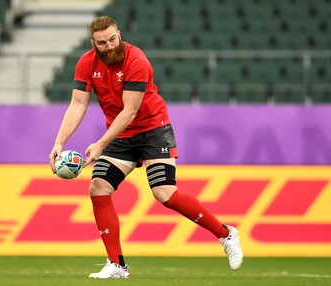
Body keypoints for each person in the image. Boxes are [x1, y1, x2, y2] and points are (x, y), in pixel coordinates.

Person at [49, 16, 243, 279]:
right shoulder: (86, 62)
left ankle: (226, 234)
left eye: (112, 39)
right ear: (93, 43)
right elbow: (78, 104)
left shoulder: (136, 60)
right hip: (121, 137)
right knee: (98, 188)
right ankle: (117, 265)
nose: (109, 46)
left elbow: (130, 112)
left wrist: (100, 144)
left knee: (164, 193)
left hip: (153, 130)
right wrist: (59, 142)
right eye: (102, 43)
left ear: (119, 33)